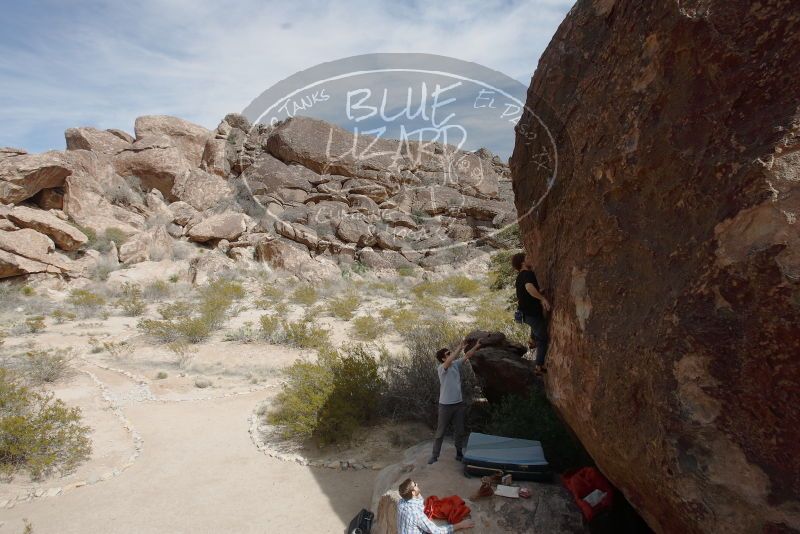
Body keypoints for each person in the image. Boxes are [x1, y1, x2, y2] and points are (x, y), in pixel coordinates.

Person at [428, 338, 483, 464]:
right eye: (448, 354)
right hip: (445, 406)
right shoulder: (442, 368)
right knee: (440, 432)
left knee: (459, 430)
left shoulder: (456, 365)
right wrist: (459, 347)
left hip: (458, 404)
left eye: (450, 353)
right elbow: (450, 360)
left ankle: (459, 453)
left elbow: (467, 355)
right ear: (443, 359)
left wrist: (477, 346)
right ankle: (434, 456)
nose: (450, 354)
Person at [512, 252, 551, 374]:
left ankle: (531, 340)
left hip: (524, 313)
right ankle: (539, 366)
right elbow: (529, 288)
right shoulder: (528, 274)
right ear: (523, 262)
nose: (530, 259)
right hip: (532, 313)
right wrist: (542, 298)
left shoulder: (520, 276)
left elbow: (525, 291)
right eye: (527, 258)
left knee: (535, 327)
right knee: (543, 339)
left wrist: (539, 292)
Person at [397, 478, 475, 534]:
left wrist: (416, 492)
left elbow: (419, 502)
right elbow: (436, 531)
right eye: (415, 484)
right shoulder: (416, 514)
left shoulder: (401, 502)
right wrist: (461, 525)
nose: (417, 484)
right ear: (413, 492)